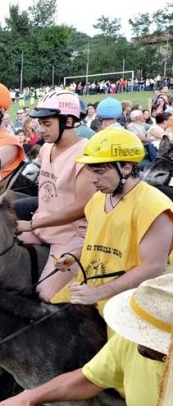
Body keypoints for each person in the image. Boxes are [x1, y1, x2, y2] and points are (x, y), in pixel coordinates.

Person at [0, 276, 172, 406]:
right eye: (139, 328)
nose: (140, 340)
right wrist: (30, 397)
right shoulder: (130, 341)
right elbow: (88, 379)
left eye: (150, 337)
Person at [51, 128, 173, 308]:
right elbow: (101, 242)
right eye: (90, 171)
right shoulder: (97, 199)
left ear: (126, 167)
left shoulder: (154, 207)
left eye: (99, 172)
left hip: (129, 301)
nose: (92, 179)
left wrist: (97, 293)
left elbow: (153, 267)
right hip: (88, 285)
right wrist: (73, 256)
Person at [14, 91, 97, 300]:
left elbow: (81, 207)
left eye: (47, 124)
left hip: (72, 235)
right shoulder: (45, 149)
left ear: (68, 121)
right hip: (43, 226)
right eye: (40, 124)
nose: (41, 130)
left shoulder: (85, 156)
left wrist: (31, 225)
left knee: (46, 294)